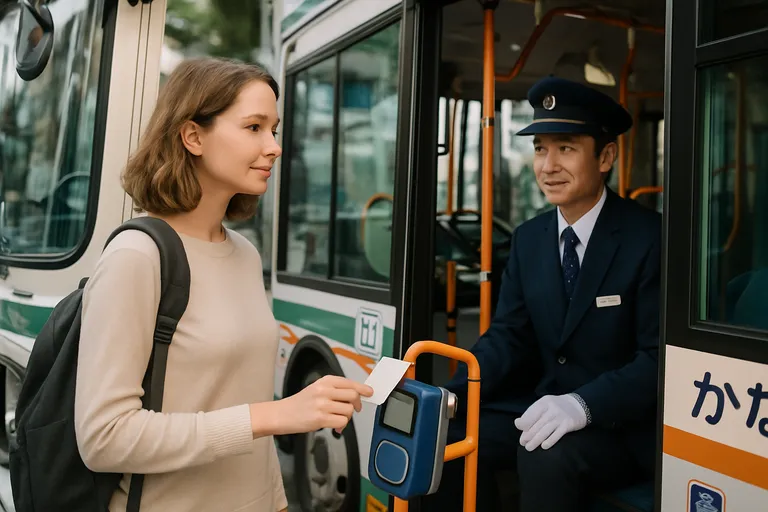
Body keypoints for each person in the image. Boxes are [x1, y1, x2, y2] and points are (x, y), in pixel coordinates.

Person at [74, 57, 373, 512]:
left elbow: (245, 413)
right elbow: (104, 438)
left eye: (273, 129)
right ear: (192, 136)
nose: (273, 146)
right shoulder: (136, 258)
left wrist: (275, 499)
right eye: (253, 127)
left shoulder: (244, 253)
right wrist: (273, 415)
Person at [425, 76, 661, 511]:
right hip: (544, 405)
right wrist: (455, 394)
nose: (548, 166)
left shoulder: (648, 237)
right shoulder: (530, 238)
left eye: (565, 148)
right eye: (539, 149)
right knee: (444, 437)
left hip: (617, 423)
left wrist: (582, 404)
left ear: (606, 155)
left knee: (545, 456)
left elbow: (656, 358)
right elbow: (509, 335)